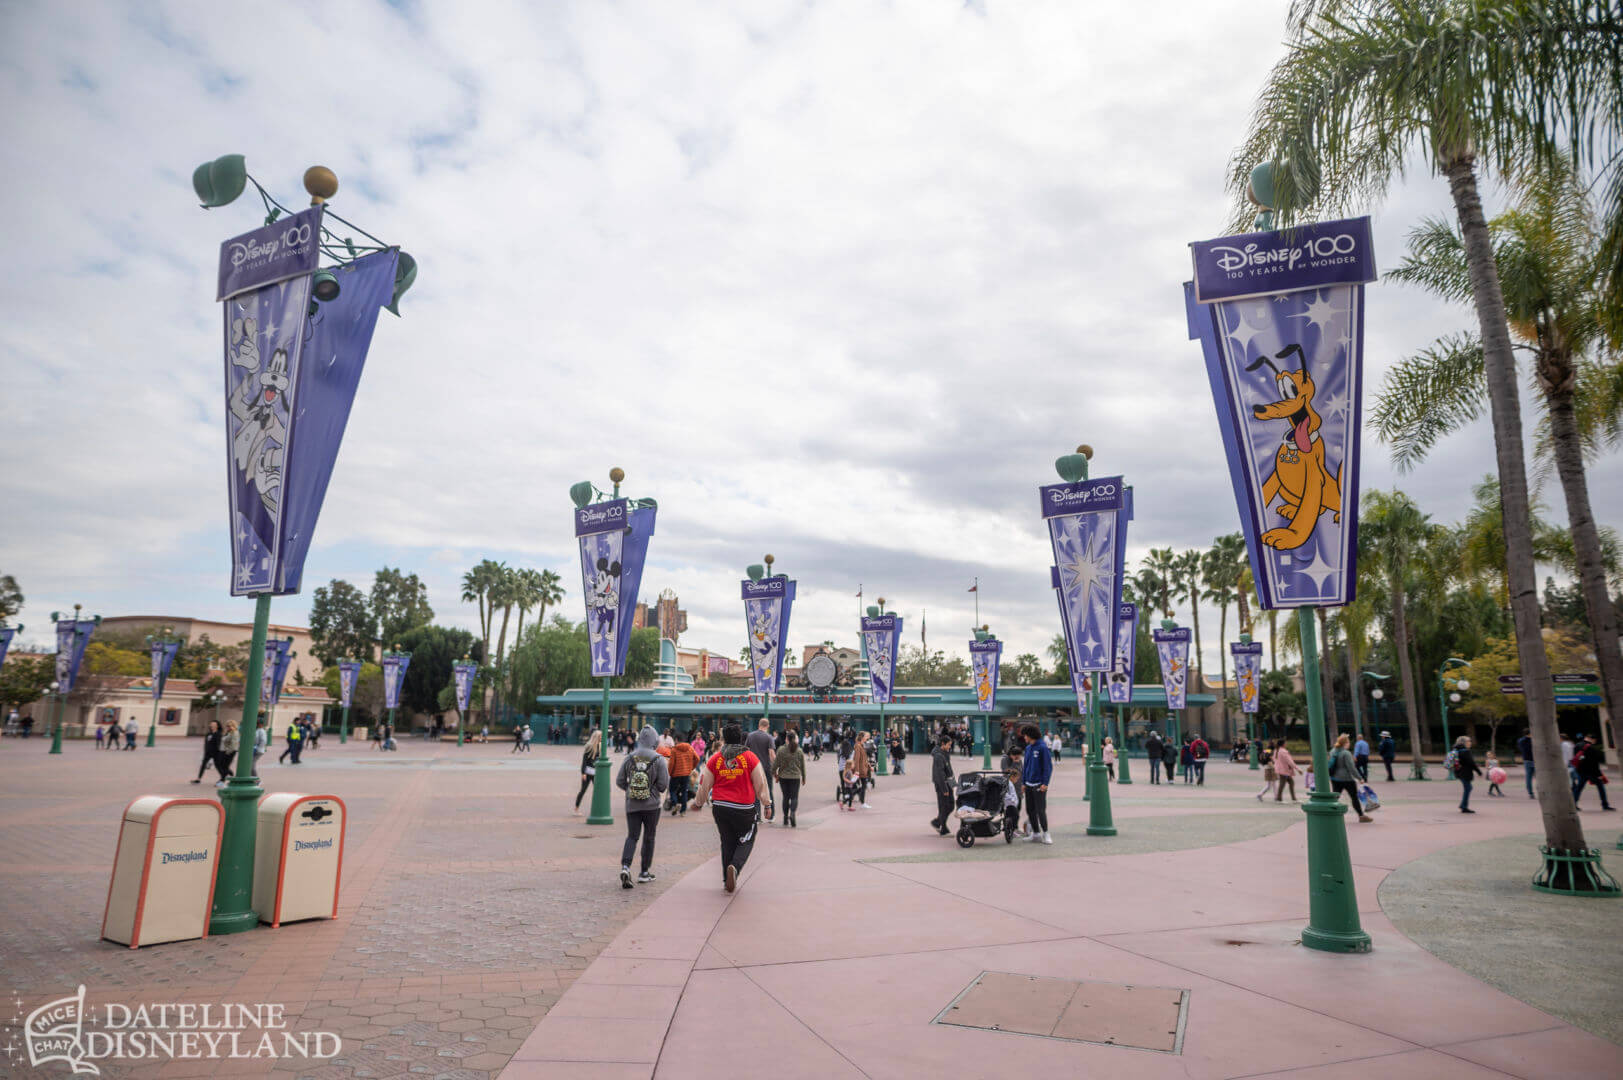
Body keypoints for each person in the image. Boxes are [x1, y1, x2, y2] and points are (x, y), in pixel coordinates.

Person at [690, 723, 772, 893]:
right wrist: (767, 803)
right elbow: (760, 782)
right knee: (748, 837)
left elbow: (704, 784)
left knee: (727, 841)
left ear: (724, 739)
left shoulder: (715, 758)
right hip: (744, 807)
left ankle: (725, 879)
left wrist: (698, 803)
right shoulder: (750, 758)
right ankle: (734, 867)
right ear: (741, 738)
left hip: (720, 806)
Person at [616, 727, 669, 888]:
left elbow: (619, 781)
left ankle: (626, 866)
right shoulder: (659, 759)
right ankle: (644, 872)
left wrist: (631, 789)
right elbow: (662, 786)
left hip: (632, 804)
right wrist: (649, 789)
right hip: (652, 806)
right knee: (649, 837)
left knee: (632, 836)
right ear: (655, 741)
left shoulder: (630, 757)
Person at [1329, 734, 1373, 822]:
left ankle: (1330, 814)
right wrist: (1360, 778)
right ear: (1345, 743)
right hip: (1346, 779)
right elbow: (1351, 768)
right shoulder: (1346, 753)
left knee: (1335, 797)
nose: (1349, 744)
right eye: (1348, 742)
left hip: (1334, 778)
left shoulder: (1333, 751)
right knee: (1354, 797)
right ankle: (1361, 816)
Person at [1020, 724, 1053, 844]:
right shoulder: (1028, 748)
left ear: (1030, 735)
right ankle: (1036, 833)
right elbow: (1025, 767)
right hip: (1028, 784)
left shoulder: (1042, 748)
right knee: (1030, 810)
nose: (1024, 738)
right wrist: (1023, 783)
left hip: (1039, 785)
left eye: (1025, 735)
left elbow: (1047, 767)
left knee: (1041, 810)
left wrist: (1045, 783)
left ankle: (1046, 833)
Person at [1571, 734, 1614, 811]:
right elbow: (1594, 763)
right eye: (1595, 740)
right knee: (1600, 787)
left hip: (1580, 771)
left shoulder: (1577, 745)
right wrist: (1599, 774)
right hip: (1591, 772)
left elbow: (1575, 758)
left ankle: (1573, 804)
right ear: (1592, 739)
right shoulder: (1591, 748)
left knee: (1579, 788)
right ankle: (1605, 805)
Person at [774, 732, 805, 828]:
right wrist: (804, 777)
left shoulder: (781, 750)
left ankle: (785, 818)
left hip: (783, 777)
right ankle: (792, 813)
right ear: (795, 739)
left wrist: (774, 774)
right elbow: (802, 766)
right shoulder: (799, 750)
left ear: (786, 739)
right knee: (794, 797)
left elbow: (776, 764)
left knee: (786, 797)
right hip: (795, 777)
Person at [745, 718, 776, 814]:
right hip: (766, 768)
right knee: (769, 790)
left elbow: (746, 751)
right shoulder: (769, 737)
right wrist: (776, 768)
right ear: (768, 726)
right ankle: (771, 815)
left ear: (759, 725)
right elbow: (772, 754)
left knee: (754, 791)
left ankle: (757, 815)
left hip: (753, 768)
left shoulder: (750, 736)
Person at [930, 733, 955, 836]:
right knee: (945, 806)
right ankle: (940, 825)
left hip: (947, 783)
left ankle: (940, 824)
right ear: (943, 744)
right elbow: (939, 773)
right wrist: (944, 789)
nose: (950, 747)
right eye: (948, 745)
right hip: (942, 784)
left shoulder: (944, 753)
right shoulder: (938, 756)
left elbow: (948, 769)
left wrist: (953, 784)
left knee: (949, 805)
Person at [1451, 735, 1481, 813]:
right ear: (1464, 742)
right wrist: (1479, 772)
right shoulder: (1465, 751)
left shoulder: (1456, 750)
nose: (1470, 743)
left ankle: (1463, 805)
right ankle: (1464, 807)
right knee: (1468, 788)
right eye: (1469, 741)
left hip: (1458, 772)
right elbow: (1471, 763)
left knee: (1468, 788)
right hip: (1465, 773)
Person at [575, 730, 602, 813]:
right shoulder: (589, 746)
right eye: (600, 736)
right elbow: (584, 761)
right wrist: (583, 773)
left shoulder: (600, 746)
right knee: (583, 790)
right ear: (596, 737)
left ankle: (597, 808)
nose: (602, 738)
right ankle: (576, 807)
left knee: (598, 791)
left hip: (596, 773)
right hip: (587, 772)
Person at [850, 729, 873, 808]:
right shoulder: (858, 746)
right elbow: (856, 759)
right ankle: (860, 802)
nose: (867, 738)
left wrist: (869, 767)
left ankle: (848, 797)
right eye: (866, 736)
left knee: (863, 786)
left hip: (863, 769)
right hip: (860, 770)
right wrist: (856, 771)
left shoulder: (861, 745)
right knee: (863, 786)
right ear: (862, 737)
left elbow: (864, 759)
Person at [218, 721, 239, 786]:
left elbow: (233, 744)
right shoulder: (228, 733)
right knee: (222, 765)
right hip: (224, 750)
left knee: (225, 766)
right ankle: (231, 775)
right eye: (227, 726)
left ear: (234, 726)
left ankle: (222, 780)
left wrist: (228, 752)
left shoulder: (235, 733)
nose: (228, 727)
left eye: (230, 726)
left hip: (230, 751)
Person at [1516, 728, 1535, 799]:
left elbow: (1520, 748)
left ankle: (1530, 793)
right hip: (1535, 760)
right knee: (1539, 777)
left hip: (1526, 760)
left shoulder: (1521, 740)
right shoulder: (1534, 740)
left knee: (1528, 777)